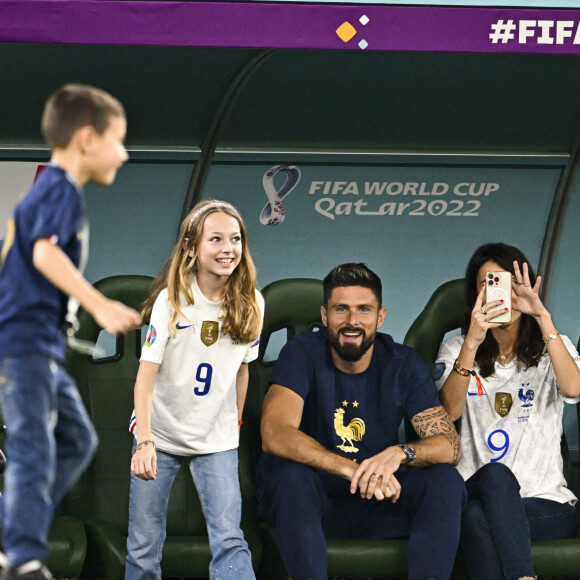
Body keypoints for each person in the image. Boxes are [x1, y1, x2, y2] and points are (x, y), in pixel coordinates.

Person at [0, 84, 142, 580]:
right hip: (26, 344)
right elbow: (43, 252)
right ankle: (19, 557)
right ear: (86, 138)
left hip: (42, 344)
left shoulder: (61, 192)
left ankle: (13, 530)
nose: (123, 154)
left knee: (76, 440)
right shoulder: (58, 187)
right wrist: (98, 304)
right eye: (118, 140)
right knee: (34, 447)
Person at [258, 262, 466, 580]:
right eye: (341, 309)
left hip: (378, 497)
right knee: (291, 478)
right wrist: (350, 468)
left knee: (445, 482)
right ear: (325, 316)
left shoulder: (402, 361)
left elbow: (449, 446)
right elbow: (275, 432)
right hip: (313, 500)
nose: (352, 321)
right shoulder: (301, 353)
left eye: (363, 310)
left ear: (380, 317)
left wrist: (400, 453)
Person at [125, 200, 264, 580]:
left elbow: (242, 371)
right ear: (191, 248)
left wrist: (231, 423)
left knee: (230, 539)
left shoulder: (253, 302)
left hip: (215, 438)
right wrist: (144, 441)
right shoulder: (172, 300)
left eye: (235, 239)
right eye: (215, 239)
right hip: (161, 433)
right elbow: (145, 376)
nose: (227, 248)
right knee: (143, 543)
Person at [435, 242, 580, 580]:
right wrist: (471, 341)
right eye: (490, 283)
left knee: (476, 518)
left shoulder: (554, 345)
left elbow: (574, 388)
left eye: (512, 283)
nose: (504, 294)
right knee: (495, 477)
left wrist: (542, 315)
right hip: (474, 488)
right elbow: (448, 414)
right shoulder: (456, 349)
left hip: (544, 503)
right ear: (475, 295)